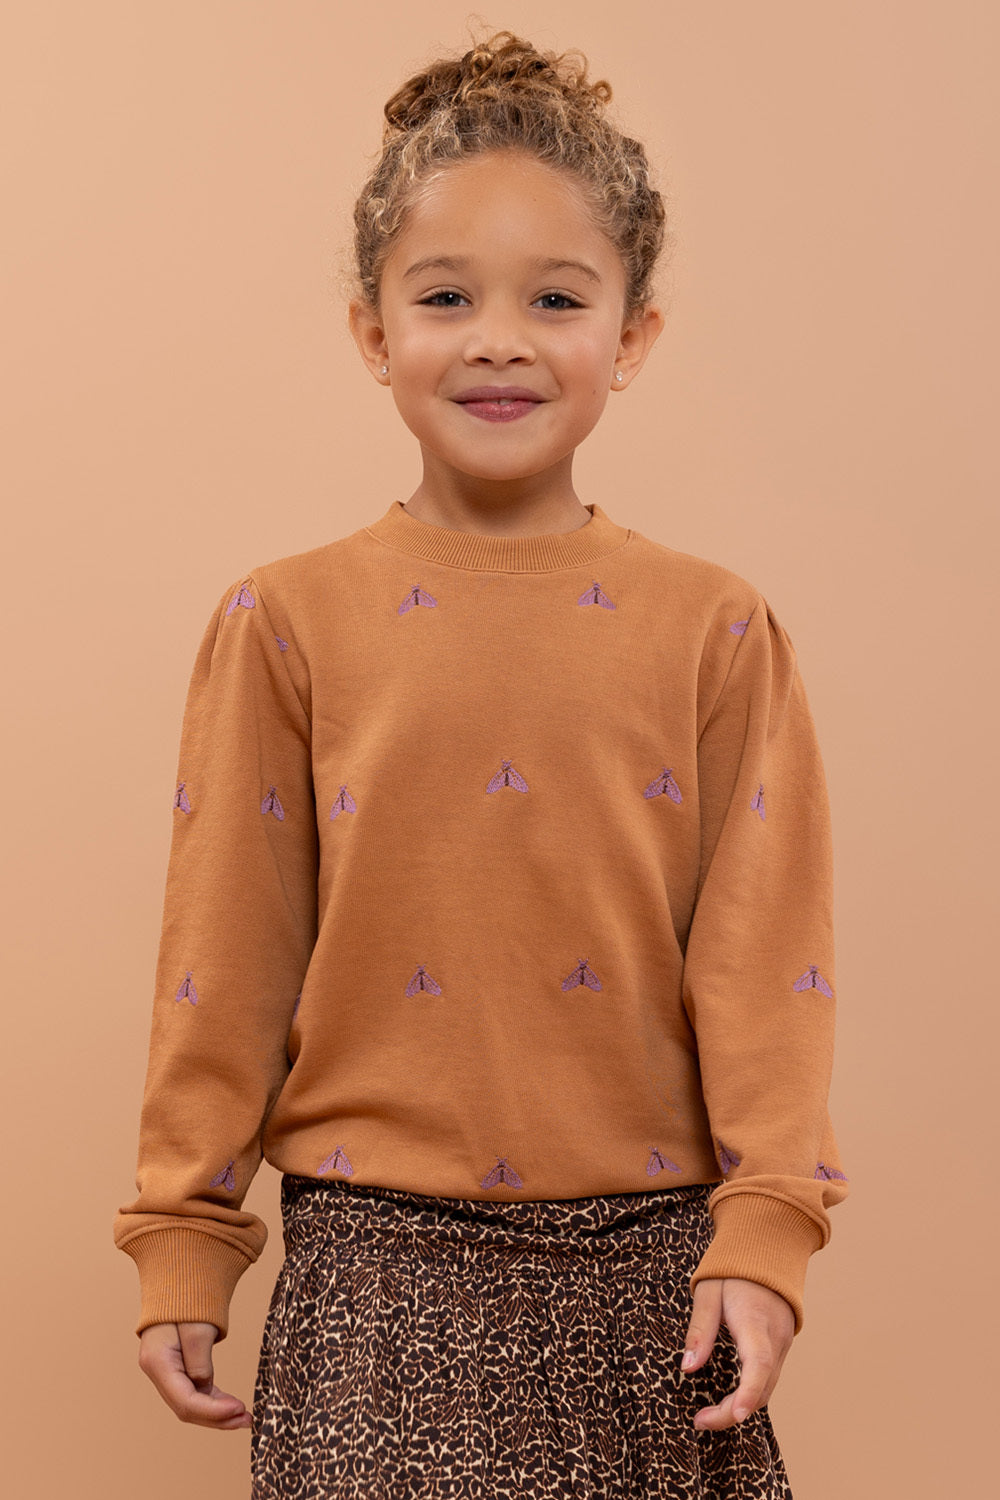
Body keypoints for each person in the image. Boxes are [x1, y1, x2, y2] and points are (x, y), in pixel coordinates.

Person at [113, 26, 848, 1499]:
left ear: (631, 337)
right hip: (375, 1274)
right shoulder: (285, 622)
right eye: (445, 296)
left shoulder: (715, 628)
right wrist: (184, 1230)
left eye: (556, 298)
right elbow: (227, 950)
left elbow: (767, 959)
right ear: (371, 332)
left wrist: (769, 1228)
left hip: (653, 1272)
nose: (498, 339)